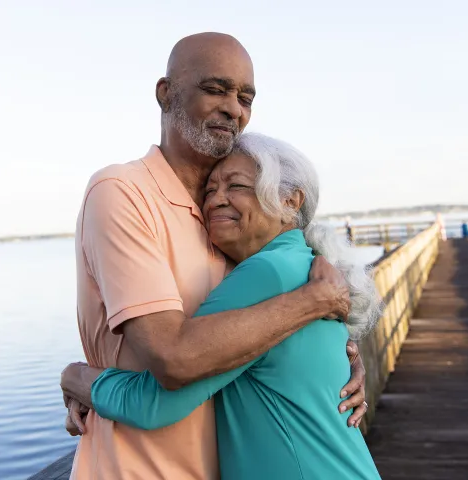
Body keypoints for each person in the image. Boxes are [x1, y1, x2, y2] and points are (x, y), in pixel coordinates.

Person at [64, 32, 369, 480]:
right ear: (165, 93)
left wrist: (339, 352)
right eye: (216, 89)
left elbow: (259, 331)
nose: (234, 108)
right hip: (141, 467)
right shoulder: (123, 192)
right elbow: (173, 358)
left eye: (246, 97)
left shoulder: (234, 230)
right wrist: (314, 303)